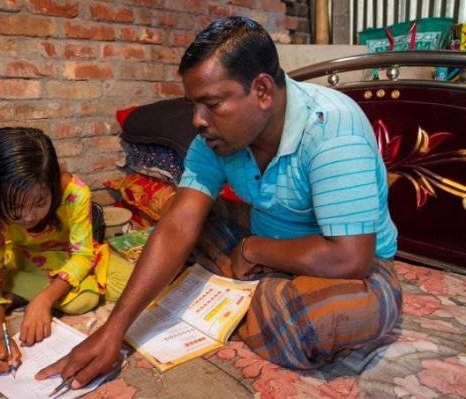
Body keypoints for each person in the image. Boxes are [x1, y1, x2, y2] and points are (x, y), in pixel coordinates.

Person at [35, 16, 402, 388]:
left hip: (352, 265)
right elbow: (178, 225)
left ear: (261, 91)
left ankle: (237, 293)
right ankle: (247, 298)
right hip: (268, 234)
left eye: (211, 104)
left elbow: (349, 257)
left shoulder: (332, 129)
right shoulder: (214, 140)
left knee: (316, 323)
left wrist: (255, 249)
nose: (197, 120)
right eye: (194, 105)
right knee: (179, 223)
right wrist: (113, 330)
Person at [0, 127, 133, 376]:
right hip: (27, 257)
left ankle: (13, 288)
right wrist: (0, 341)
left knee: (136, 284)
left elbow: (82, 255)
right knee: (82, 301)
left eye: (39, 204)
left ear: (52, 188)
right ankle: (6, 283)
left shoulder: (75, 193)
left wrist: (44, 299)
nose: (27, 217)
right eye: (14, 207)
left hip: (69, 255)